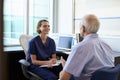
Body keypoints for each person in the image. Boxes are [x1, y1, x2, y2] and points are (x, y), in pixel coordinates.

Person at [59, 14, 114, 80]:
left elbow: (64, 78)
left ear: (83, 28)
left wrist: (65, 68)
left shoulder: (80, 47)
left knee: (61, 74)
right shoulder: (106, 45)